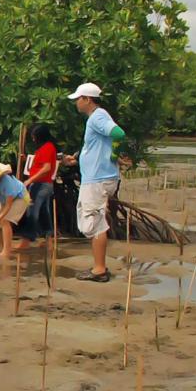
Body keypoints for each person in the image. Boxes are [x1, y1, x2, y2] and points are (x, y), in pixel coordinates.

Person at [66, 83, 124, 282]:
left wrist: (115, 155)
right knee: (91, 220)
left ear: (87, 99)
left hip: (97, 179)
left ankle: (99, 270)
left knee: (94, 222)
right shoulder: (98, 117)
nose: (76, 103)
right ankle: (99, 267)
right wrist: (75, 159)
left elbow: (118, 134)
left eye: (78, 99)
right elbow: (97, 146)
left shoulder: (97, 117)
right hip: (96, 177)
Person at [0, 161, 35, 258]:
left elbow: (9, 205)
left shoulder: (7, 182)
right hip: (4, 200)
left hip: (21, 197)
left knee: (4, 220)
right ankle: (7, 247)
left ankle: (6, 252)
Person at [22, 125, 58, 239]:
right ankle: (48, 235)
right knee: (43, 211)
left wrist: (29, 181)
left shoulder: (47, 147)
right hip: (43, 184)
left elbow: (46, 168)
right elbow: (39, 164)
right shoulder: (45, 148)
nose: (33, 139)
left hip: (41, 184)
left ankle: (28, 238)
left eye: (34, 137)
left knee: (32, 210)